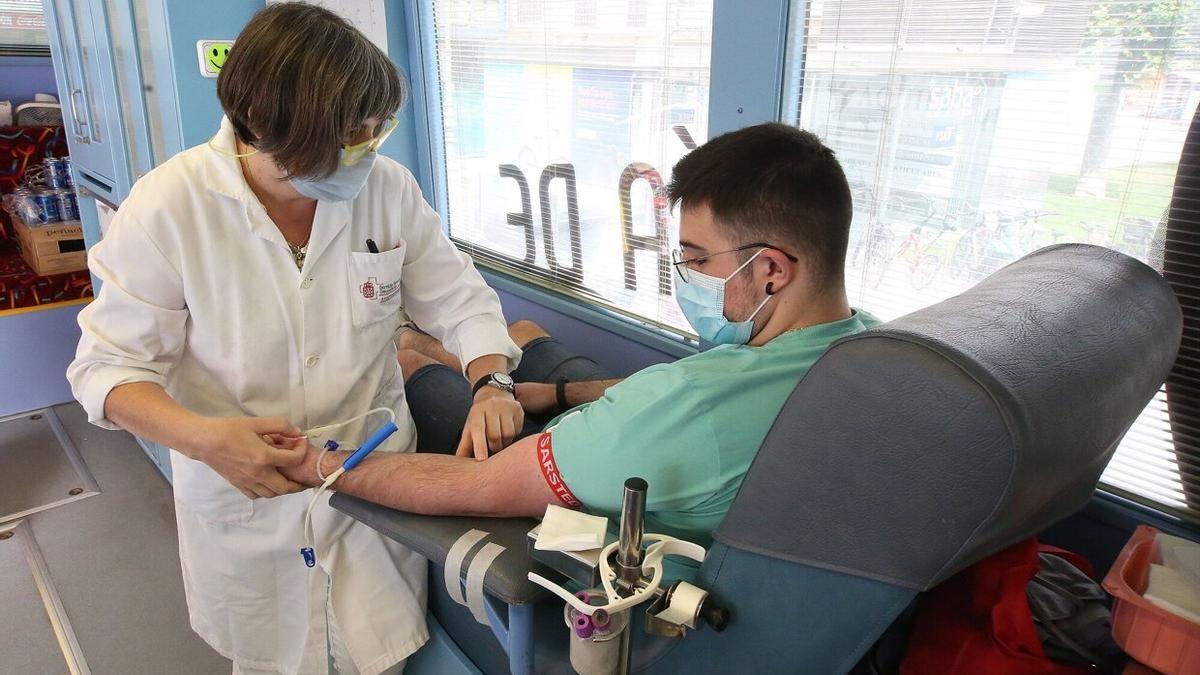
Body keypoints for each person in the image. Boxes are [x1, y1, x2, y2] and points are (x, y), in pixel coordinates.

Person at [66, 5, 524, 674]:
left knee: (379, 660)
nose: (371, 145)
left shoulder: (385, 189)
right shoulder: (170, 205)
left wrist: (492, 380)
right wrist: (203, 439)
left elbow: (458, 298)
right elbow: (104, 369)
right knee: (276, 661)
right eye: (352, 133)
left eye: (376, 127)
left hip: (372, 485)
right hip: (250, 498)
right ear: (267, 129)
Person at [279, 122, 879, 574]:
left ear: (771, 270)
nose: (688, 275)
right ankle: (468, 358)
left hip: (602, 467)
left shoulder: (688, 406)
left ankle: (413, 349)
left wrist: (315, 464)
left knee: (414, 368)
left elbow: (481, 488)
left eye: (696, 260)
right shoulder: (875, 349)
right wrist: (559, 392)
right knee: (525, 338)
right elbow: (702, 398)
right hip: (646, 440)